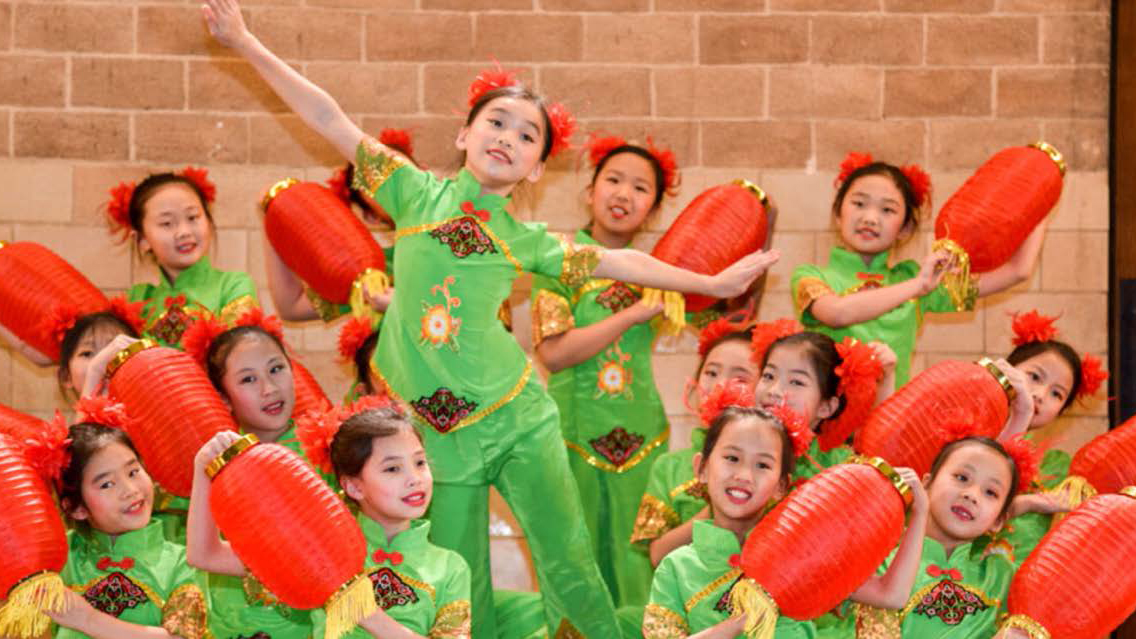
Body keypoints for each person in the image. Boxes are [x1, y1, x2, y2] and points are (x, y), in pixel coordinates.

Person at [201, 1, 778, 633]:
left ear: (535, 167)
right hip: (436, 430)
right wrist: (245, 42)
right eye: (496, 122)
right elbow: (326, 115)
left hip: (518, 416)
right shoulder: (409, 192)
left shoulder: (525, 240)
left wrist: (710, 281)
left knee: (569, 561)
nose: (508, 136)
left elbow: (620, 262)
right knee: (460, 575)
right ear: (464, 136)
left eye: (527, 135)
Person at [791, 152, 1047, 386]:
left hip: (887, 425)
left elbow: (1017, 271)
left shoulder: (915, 277)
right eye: (859, 204)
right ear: (838, 213)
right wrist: (917, 287)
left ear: (905, 228)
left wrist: (1041, 195)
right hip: (823, 428)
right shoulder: (811, 276)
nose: (870, 218)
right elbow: (837, 313)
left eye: (887, 209)